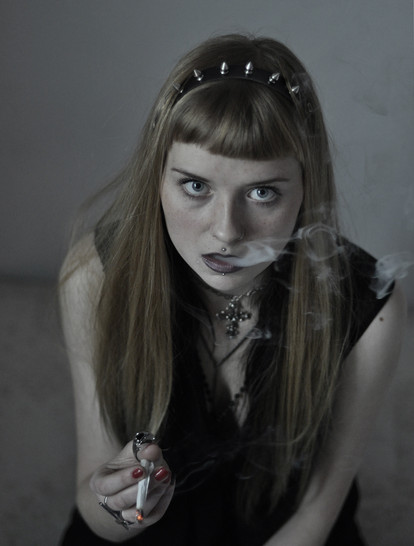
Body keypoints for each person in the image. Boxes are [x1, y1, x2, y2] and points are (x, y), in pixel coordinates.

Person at [59, 34, 406, 545]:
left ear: (306, 189)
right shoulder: (96, 275)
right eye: (195, 186)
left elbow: (315, 516)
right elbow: (96, 512)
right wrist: (121, 507)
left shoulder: (367, 308)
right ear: (158, 178)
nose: (226, 231)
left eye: (262, 192)